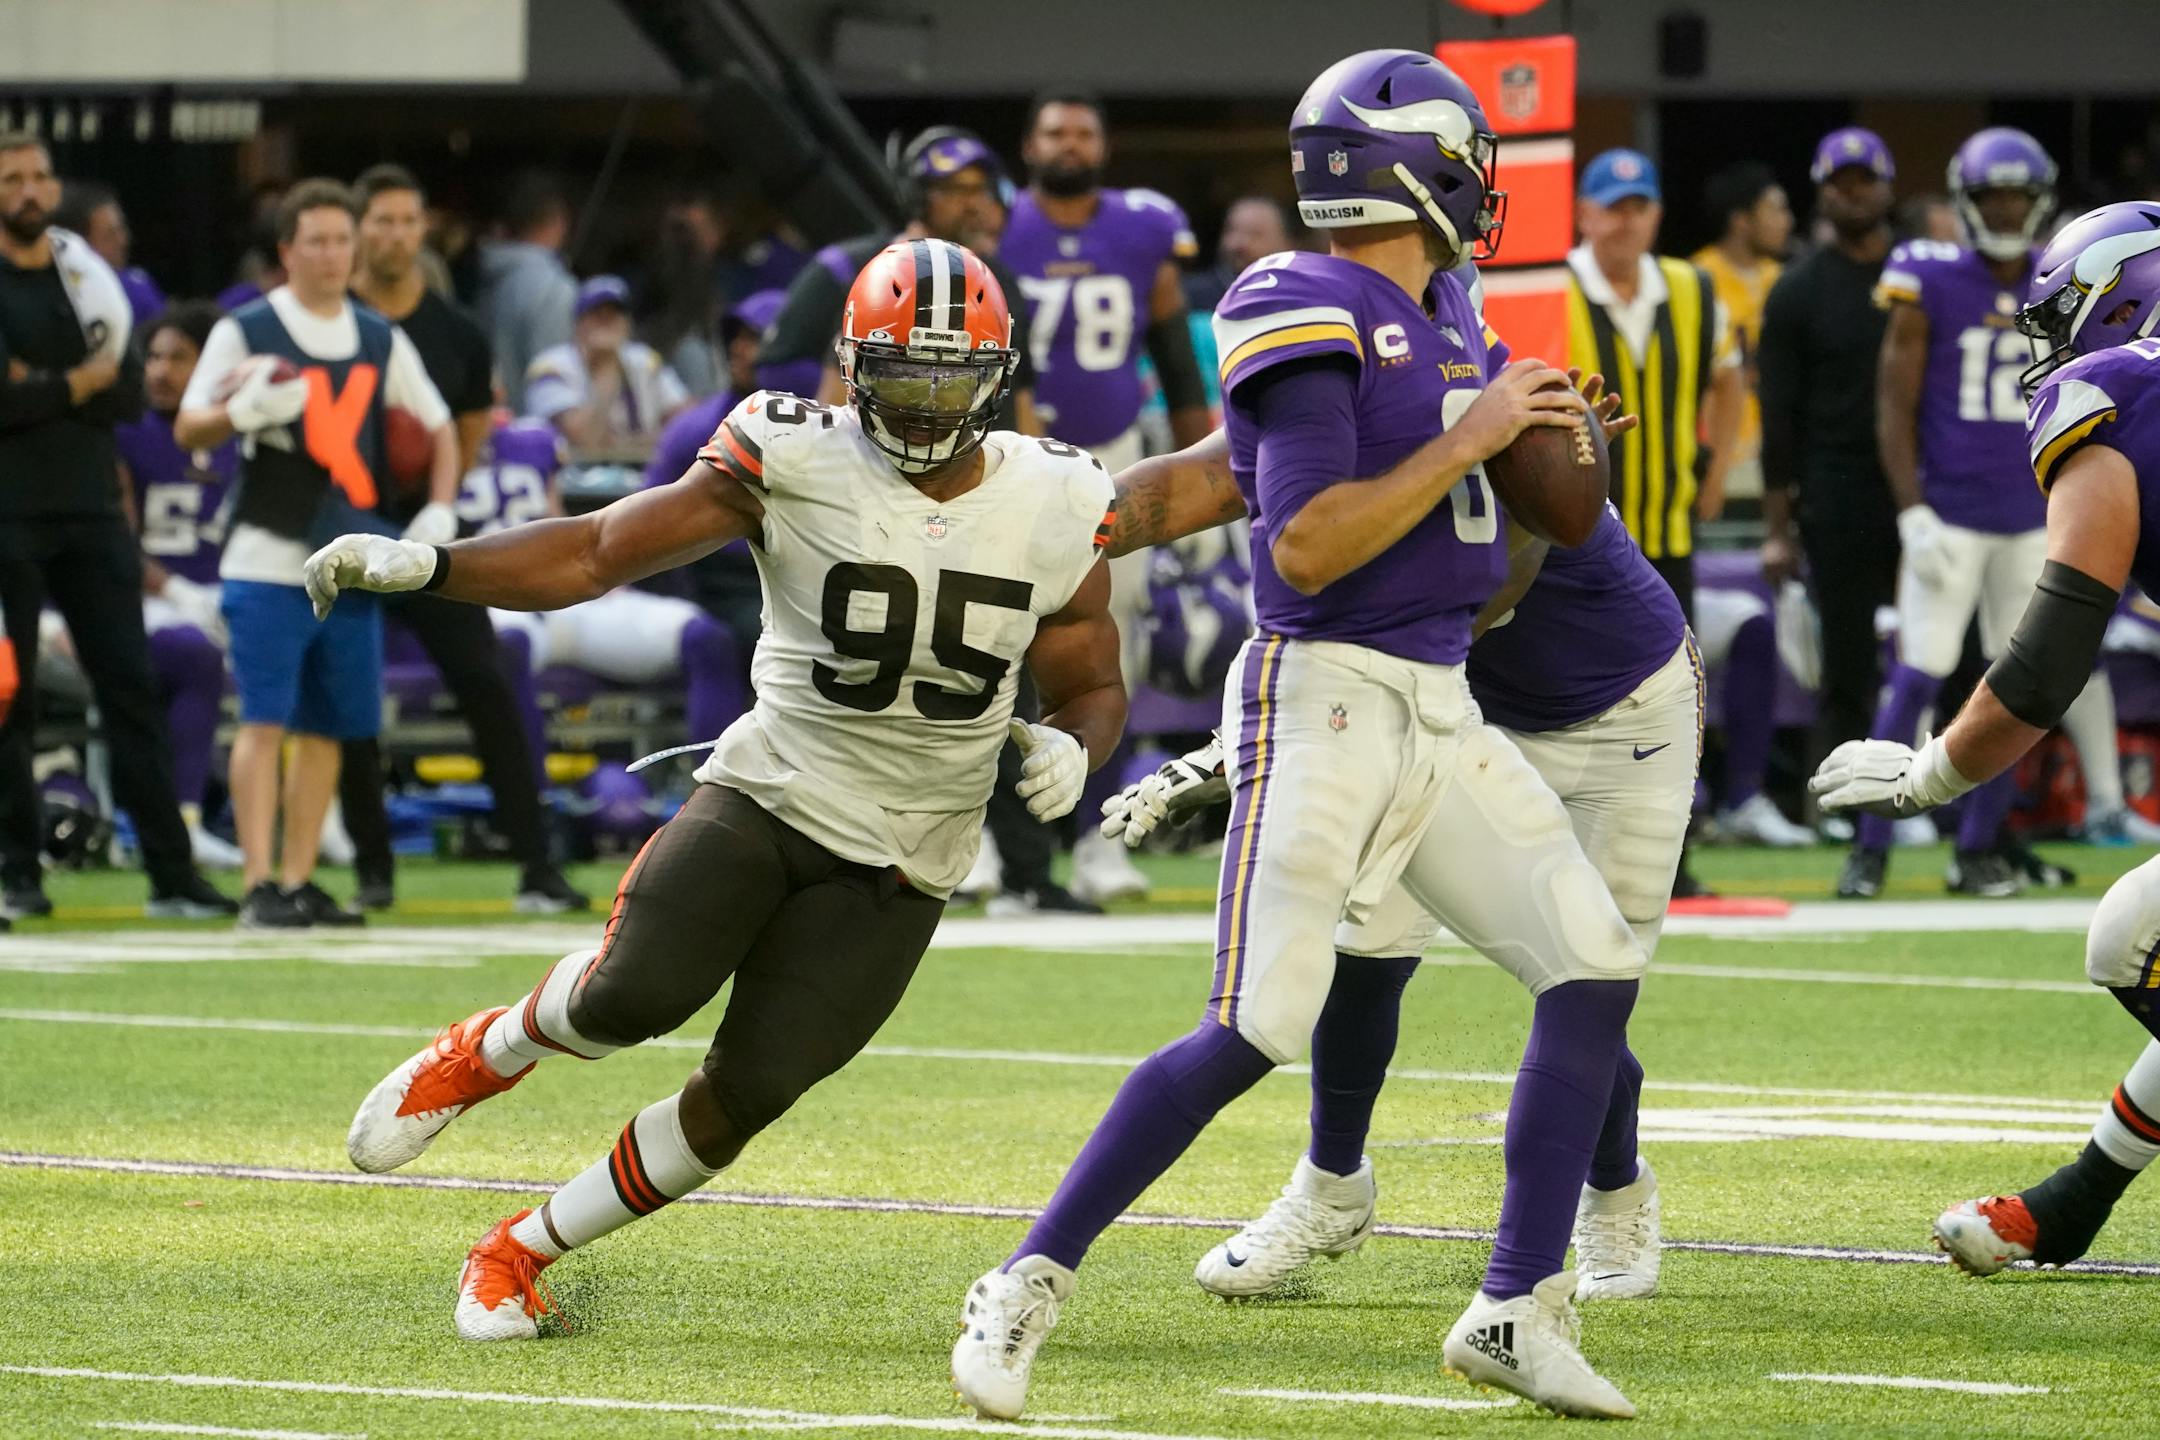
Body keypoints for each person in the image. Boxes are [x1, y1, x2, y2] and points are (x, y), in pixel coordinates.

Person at [950, 50, 1645, 1422]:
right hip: (1324, 698)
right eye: (1466, 160)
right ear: (1413, 169)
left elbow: (1480, 513)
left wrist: (1550, 447)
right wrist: (1475, 438)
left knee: (1592, 963)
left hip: (1439, 697)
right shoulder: (1296, 295)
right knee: (1256, 1025)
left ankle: (1515, 1306)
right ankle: (1025, 1280)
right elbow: (1309, 542)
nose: (1481, 185)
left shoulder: (1445, 304)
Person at [303, 239, 1123, 1342]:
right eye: (901, 378)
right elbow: (598, 551)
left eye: (949, 382)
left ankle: (519, 1250)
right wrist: (435, 568)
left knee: (745, 1097)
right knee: (628, 999)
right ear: (849, 366)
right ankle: (484, 1052)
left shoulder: (1057, 494)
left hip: (913, 849)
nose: (926, 409)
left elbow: (1092, 676)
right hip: (773, 789)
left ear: (998, 379)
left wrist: (1076, 741)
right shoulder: (793, 452)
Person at [1810, 200, 2160, 1279]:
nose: (2051, 348)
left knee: (2132, 938)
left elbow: (2045, 668)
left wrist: (1927, 777)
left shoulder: (2120, 394)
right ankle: (2071, 1207)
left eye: (2063, 318)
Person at [758, 126, 1085, 917]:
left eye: (984, 190)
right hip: (864, 504)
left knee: (993, 676)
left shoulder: (995, 282)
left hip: (968, 499)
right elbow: (809, 398)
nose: (976, 206)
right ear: (915, 195)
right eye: (955, 190)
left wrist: (1031, 496)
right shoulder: (851, 269)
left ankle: (1024, 867)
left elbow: (1018, 411)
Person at [1836, 129, 2127, 900]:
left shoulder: (2064, 278)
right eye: (1991, 197)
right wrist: (1911, 509)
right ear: (1965, 203)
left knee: (2023, 684)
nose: (2004, 210)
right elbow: (1894, 402)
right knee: (1917, 675)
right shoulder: (1929, 275)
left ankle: (1978, 850)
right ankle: (1870, 847)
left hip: (2034, 514)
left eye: (2016, 197)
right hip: (1952, 513)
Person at [176, 179, 458, 928]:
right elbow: (188, 426)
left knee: (330, 726)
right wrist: (240, 411)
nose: (333, 254)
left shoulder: (376, 334)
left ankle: (299, 878)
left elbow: (439, 426)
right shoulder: (247, 328)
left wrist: (439, 504)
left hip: (348, 557)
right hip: (266, 556)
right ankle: (258, 883)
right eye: (318, 241)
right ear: (287, 250)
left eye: (342, 241)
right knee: (264, 722)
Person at [334, 164, 584, 913]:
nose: (396, 235)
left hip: (426, 529)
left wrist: (436, 504)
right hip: (343, 531)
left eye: (408, 221)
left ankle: (535, 861)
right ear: (359, 230)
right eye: (381, 221)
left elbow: (468, 430)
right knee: (350, 695)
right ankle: (373, 866)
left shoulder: (457, 332)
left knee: (486, 679)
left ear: (424, 231)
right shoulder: (330, 324)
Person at [0, 131, 233, 921]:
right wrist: (77, 382)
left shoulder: (83, 274)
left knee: (131, 690)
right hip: (9, 515)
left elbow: (128, 393)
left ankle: (172, 872)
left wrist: (42, 383)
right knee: (11, 700)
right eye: (12, 177)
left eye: (39, 176)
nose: (29, 190)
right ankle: (18, 872)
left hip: (95, 512)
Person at [1003, 91, 1216, 905]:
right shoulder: (998, 226)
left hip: (1113, 459)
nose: (1070, 144)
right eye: (1055, 131)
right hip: (1008, 456)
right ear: (1030, 144)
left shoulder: (1141, 228)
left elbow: (1175, 357)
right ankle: (988, 835)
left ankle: (1097, 837)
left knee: (1108, 647)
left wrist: (1205, 474)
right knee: (994, 640)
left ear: (1104, 145)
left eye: (1083, 132)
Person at [1567, 151, 1792, 861]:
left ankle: (1673, 852)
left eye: (1639, 207)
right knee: (1579, 690)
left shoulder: (1691, 288)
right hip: (1573, 537)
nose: (1626, 222)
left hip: (1667, 533)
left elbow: (1729, 378)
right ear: (1584, 214)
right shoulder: (1555, 288)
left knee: (1669, 693)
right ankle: (1582, 841)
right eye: (1613, 208)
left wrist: (1716, 471)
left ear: (1657, 215)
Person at [1758, 129, 1899, 769]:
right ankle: (1848, 790)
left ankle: (1950, 795)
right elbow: (1778, 416)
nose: (1853, 194)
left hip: (1928, 488)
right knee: (1848, 657)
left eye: (1864, 181)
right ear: (1821, 194)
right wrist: (1777, 529)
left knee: (1952, 649)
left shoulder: (1923, 277)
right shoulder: (1797, 290)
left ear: (1887, 188)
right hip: (1838, 491)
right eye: (1840, 184)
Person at [477, 422, 749, 752]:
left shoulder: (533, 439)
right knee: (507, 647)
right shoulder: (434, 445)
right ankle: (528, 786)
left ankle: (716, 781)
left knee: (706, 638)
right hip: (497, 599)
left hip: (569, 587)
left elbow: (555, 519)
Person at [113, 302, 243, 870]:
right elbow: (117, 538)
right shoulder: (127, 434)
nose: (161, 371)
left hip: (226, 592)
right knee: (195, 654)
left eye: (178, 358)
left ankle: (322, 818)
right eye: (154, 357)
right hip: (147, 600)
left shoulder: (238, 435)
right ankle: (182, 820)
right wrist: (175, 590)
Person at [1691, 162, 1791, 504]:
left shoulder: (1784, 280)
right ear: (1741, 220)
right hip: (1720, 453)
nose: (1786, 221)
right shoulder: (1699, 277)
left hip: (1773, 454)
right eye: (1775, 210)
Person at [522, 275, 690, 458]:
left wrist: (630, 443)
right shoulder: (552, 367)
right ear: (578, 324)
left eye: (614, 314)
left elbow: (688, 424)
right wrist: (607, 367)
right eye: (597, 315)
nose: (606, 321)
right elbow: (586, 442)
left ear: (627, 323)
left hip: (643, 467)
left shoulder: (644, 360)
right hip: (574, 472)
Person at [477, 170, 577, 399]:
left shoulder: (484, 275)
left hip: (489, 417)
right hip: (534, 419)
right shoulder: (555, 289)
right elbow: (556, 384)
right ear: (558, 221)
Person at [54, 180, 164, 328]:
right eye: (109, 235)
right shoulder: (59, 296)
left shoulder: (138, 286)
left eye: (121, 228)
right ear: (79, 244)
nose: (123, 241)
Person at [1183, 195, 1294, 316]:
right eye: (1233, 231)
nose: (1240, 243)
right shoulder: (1192, 295)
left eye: (1255, 234)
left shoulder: (1296, 296)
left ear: (1285, 243)